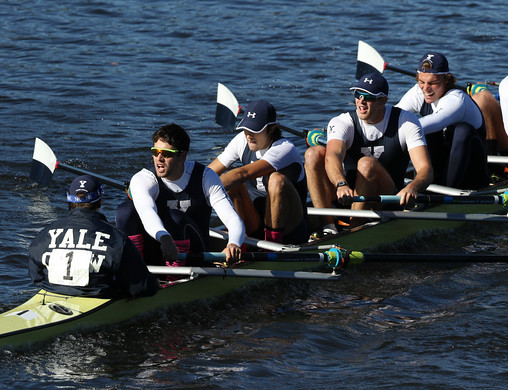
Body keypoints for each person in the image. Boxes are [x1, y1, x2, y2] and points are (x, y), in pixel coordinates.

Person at [304, 72, 433, 236]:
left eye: (368, 97)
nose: (361, 101)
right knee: (313, 154)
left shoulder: (405, 121)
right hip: (348, 194)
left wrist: (412, 188)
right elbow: (332, 157)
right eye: (357, 94)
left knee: (367, 163)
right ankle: (328, 227)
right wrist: (341, 184)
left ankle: (353, 230)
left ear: (383, 100)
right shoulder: (342, 122)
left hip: (388, 198)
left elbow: (426, 170)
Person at [115, 123, 244, 265]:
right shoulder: (143, 179)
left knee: (175, 217)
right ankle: (134, 266)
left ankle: (176, 274)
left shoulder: (205, 177)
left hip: (195, 254)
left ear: (182, 156)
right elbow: (147, 211)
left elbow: (232, 218)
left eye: (166, 154)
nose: (159, 158)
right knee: (125, 211)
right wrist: (164, 237)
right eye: (155, 152)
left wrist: (233, 243)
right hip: (158, 247)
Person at [29, 175, 159, 298]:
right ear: (100, 202)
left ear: (69, 202)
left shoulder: (44, 233)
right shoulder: (117, 238)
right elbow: (142, 287)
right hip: (100, 299)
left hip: (52, 293)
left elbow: (36, 277)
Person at [209, 100, 309, 244]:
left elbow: (243, 174)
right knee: (231, 183)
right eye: (246, 128)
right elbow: (208, 173)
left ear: (272, 129)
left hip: (291, 227)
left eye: (255, 130)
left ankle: (272, 244)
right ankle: (240, 244)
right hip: (256, 221)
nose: (249, 135)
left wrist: (204, 193)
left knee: (275, 179)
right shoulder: (242, 140)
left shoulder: (284, 148)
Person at [395, 52, 489, 189]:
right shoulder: (417, 92)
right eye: (421, 82)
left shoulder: (456, 100)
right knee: (410, 130)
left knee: (462, 130)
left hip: (472, 174)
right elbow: (393, 118)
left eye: (432, 83)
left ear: (446, 80)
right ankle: (419, 187)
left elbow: (427, 124)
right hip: (441, 169)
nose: (425, 88)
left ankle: (445, 193)